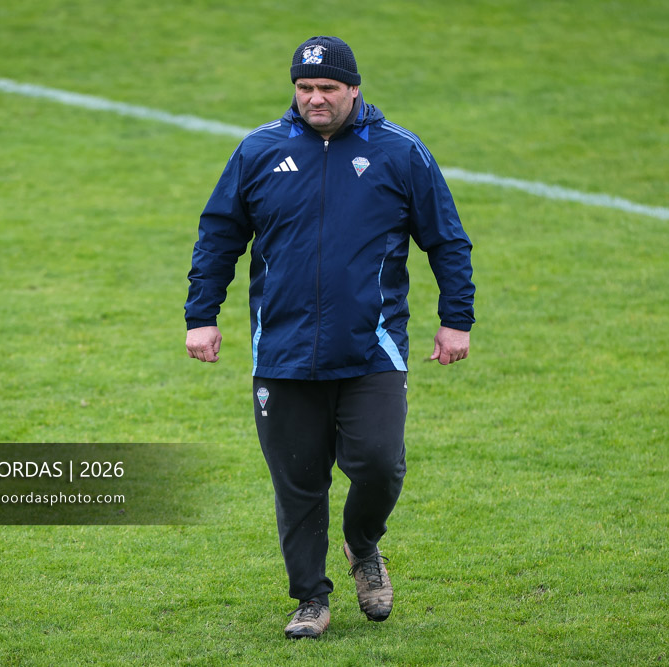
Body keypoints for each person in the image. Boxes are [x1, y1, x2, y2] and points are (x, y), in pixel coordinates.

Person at [185, 35, 474, 639]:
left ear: (354, 90)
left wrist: (456, 320)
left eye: (328, 89)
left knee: (378, 465)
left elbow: (446, 239)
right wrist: (201, 315)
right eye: (305, 88)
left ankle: (362, 544)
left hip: (372, 348)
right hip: (283, 353)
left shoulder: (400, 152)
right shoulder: (260, 150)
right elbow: (219, 235)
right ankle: (310, 600)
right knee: (298, 484)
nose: (315, 99)